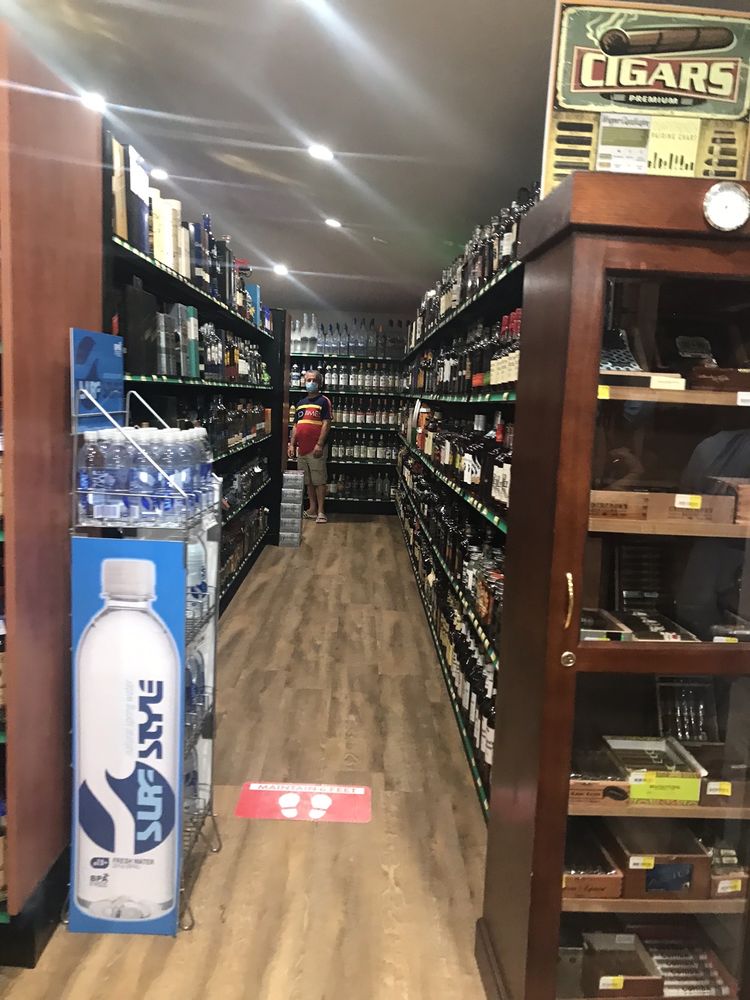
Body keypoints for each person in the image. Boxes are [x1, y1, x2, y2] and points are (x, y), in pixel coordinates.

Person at [288, 370, 332, 523]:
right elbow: (296, 426)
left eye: (314, 380)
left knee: (319, 480)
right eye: (308, 380)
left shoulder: (323, 401)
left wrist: (320, 444)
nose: (311, 383)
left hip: (316, 448)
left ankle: (321, 512)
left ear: (319, 383)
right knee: (308, 481)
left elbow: (326, 423)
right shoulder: (300, 404)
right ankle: (312, 509)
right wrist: (292, 444)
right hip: (302, 449)